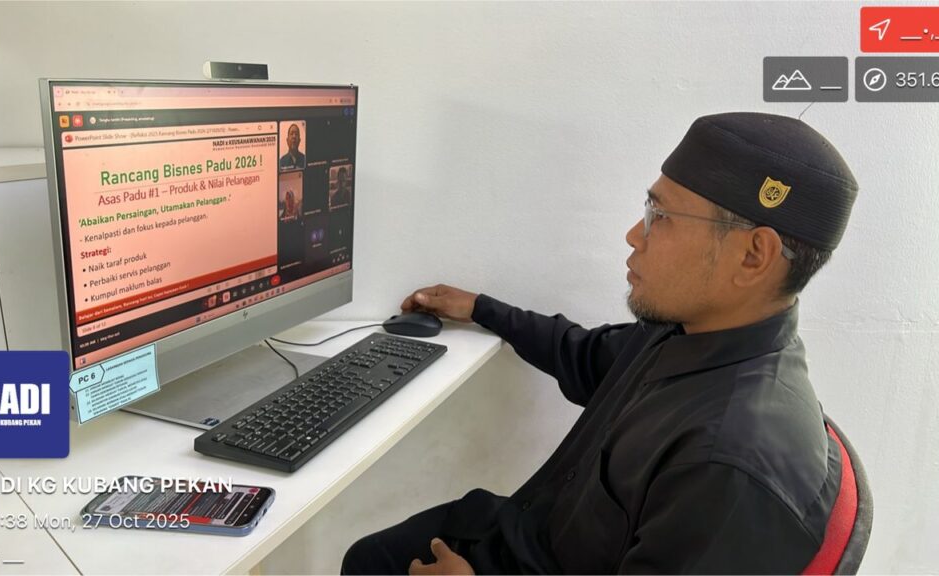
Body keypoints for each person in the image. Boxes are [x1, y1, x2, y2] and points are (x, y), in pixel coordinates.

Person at [341, 112, 859, 574]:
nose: (635, 234)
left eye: (661, 216)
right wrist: (480, 308)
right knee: (370, 557)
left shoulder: (729, 465)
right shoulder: (690, 331)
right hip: (530, 532)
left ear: (753, 256)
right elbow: (585, 356)